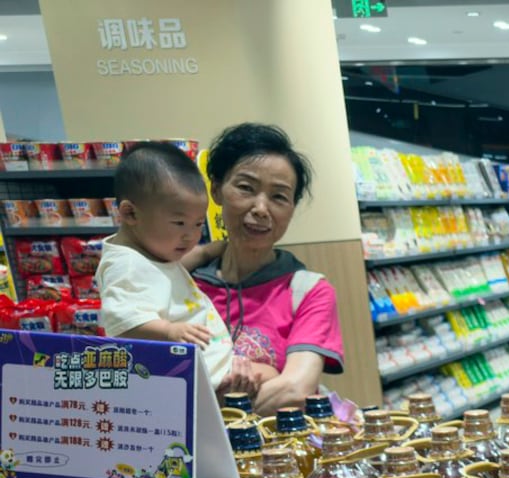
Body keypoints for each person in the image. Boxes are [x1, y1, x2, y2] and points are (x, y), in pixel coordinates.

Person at [192, 123, 344, 414]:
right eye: (246, 188)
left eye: (278, 196)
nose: (261, 208)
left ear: (291, 209)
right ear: (216, 190)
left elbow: (294, 390)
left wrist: (206, 412)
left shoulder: (309, 291)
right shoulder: (186, 285)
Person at [95, 142, 250, 399]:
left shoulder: (152, 250)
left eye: (198, 224)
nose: (190, 236)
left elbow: (167, 274)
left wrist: (209, 251)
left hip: (208, 370)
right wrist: (169, 331)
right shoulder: (126, 265)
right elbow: (123, 322)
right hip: (194, 382)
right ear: (130, 213)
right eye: (179, 223)